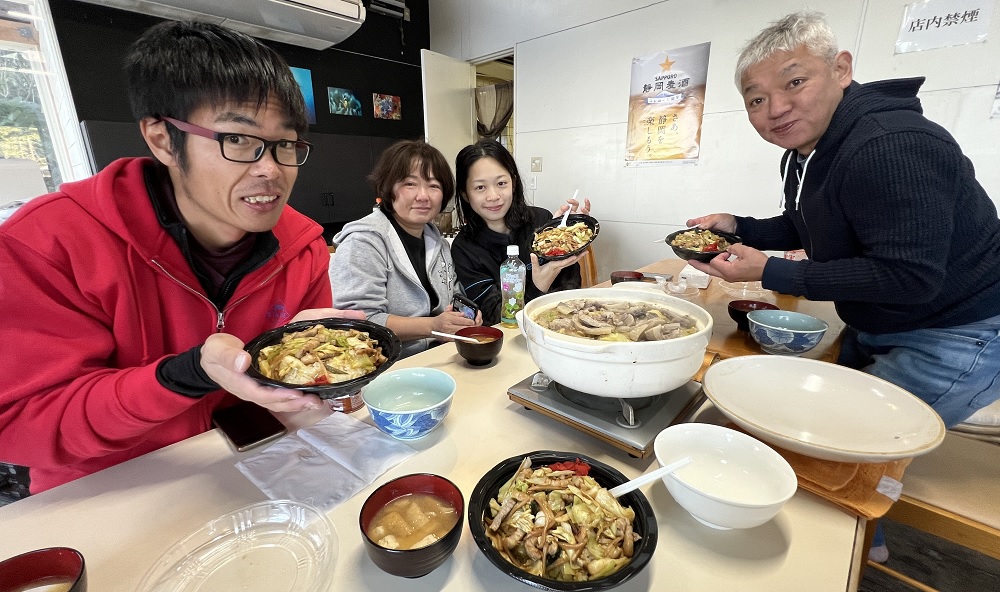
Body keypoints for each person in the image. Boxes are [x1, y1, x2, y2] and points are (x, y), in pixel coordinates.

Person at [687, 12, 1000, 560]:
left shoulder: (889, 143)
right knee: (826, 443)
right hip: (882, 321)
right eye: (756, 98)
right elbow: (807, 223)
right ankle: (858, 542)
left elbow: (910, 276)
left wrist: (769, 271)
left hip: (958, 332)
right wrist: (739, 228)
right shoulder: (807, 153)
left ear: (841, 69)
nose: (776, 108)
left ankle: (842, 560)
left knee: (834, 456)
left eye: (794, 81)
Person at [0, 21, 362, 494]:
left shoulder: (303, 245)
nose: (271, 169)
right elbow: (21, 424)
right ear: (162, 138)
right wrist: (184, 375)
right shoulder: (49, 242)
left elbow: (292, 393)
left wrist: (321, 380)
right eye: (238, 139)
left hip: (248, 466)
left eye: (286, 144)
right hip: (105, 493)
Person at [330, 140, 480, 357]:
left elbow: (453, 292)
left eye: (434, 186)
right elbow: (359, 322)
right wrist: (433, 326)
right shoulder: (364, 241)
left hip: (440, 357)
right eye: (410, 184)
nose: (423, 195)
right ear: (389, 188)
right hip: (388, 365)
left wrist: (465, 315)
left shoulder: (434, 238)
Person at [452, 139, 590, 326]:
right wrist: (539, 284)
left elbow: (570, 286)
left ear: (513, 183)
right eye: (480, 187)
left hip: (560, 328)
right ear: (465, 194)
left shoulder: (541, 221)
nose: (493, 196)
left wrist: (567, 239)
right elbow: (494, 314)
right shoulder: (464, 248)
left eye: (501, 183)